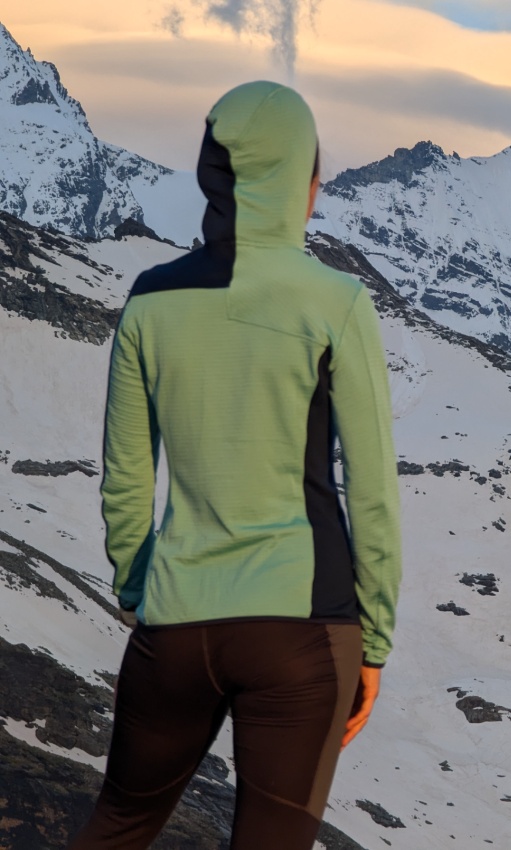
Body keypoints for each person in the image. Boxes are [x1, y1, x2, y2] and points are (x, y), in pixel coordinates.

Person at [68, 81, 402, 850]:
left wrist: (136, 591)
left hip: (176, 621)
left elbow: (125, 478)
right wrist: (374, 642)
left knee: (117, 825)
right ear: (297, 180)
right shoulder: (338, 303)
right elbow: (374, 494)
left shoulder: (149, 301)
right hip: (303, 628)